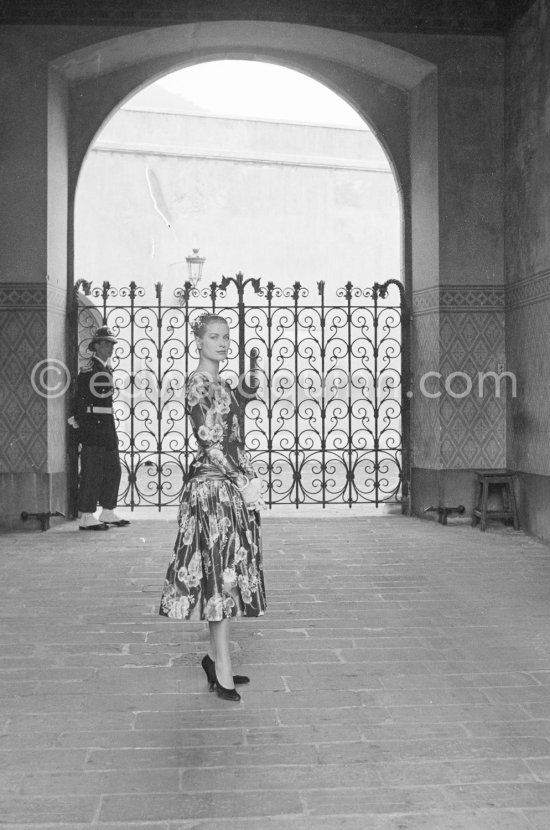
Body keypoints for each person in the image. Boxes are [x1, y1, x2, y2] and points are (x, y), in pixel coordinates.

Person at [159, 312, 266, 702]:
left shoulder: (221, 384)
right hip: (211, 491)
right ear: (199, 342)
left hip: (230, 489)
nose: (222, 343)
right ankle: (221, 668)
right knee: (218, 577)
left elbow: (236, 435)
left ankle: (216, 660)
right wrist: (241, 480)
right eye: (214, 337)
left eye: (226, 337)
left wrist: (251, 475)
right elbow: (209, 442)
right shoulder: (197, 385)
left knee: (227, 577)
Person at [69, 325, 130, 531]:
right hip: (92, 427)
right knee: (92, 472)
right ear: (95, 346)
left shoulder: (106, 369)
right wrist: (78, 424)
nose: (110, 347)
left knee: (113, 469)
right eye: (105, 343)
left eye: (111, 343)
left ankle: (107, 511)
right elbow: (78, 399)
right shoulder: (89, 370)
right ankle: (87, 515)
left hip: (106, 427)